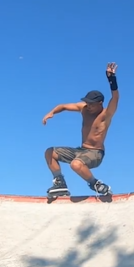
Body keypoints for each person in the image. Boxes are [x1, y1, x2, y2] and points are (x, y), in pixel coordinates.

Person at [42, 62, 120, 197]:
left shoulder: (105, 115)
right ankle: (60, 183)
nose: (88, 106)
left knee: (75, 165)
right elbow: (64, 106)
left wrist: (111, 79)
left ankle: (95, 184)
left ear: (100, 103)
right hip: (81, 151)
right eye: (87, 103)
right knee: (50, 152)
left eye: (91, 104)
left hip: (95, 154)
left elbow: (115, 97)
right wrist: (52, 112)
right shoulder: (83, 109)